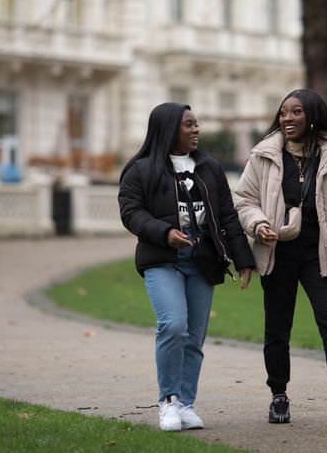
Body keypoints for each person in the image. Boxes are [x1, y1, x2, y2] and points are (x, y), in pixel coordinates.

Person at [118, 102, 255, 431]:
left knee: (194, 337)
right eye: (188, 125)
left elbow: (227, 217)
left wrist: (244, 259)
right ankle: (167, 402)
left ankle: (186, 403)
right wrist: (165, 233)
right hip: (163, 258)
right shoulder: (141, 169)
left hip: (202, 259)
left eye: (197, 124)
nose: (196, 130)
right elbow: (131, 212)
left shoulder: (209, 167)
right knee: (173, 325)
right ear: (168, 129)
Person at [234, 88, 327, 424]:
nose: (287, 119)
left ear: (312, 116)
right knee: (277, 328)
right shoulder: (263, 154)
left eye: (295, 112)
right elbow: (244, 201)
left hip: (319, 253)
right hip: (277, 252)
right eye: (283, 113)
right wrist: (259, 223)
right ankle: (278, 396)